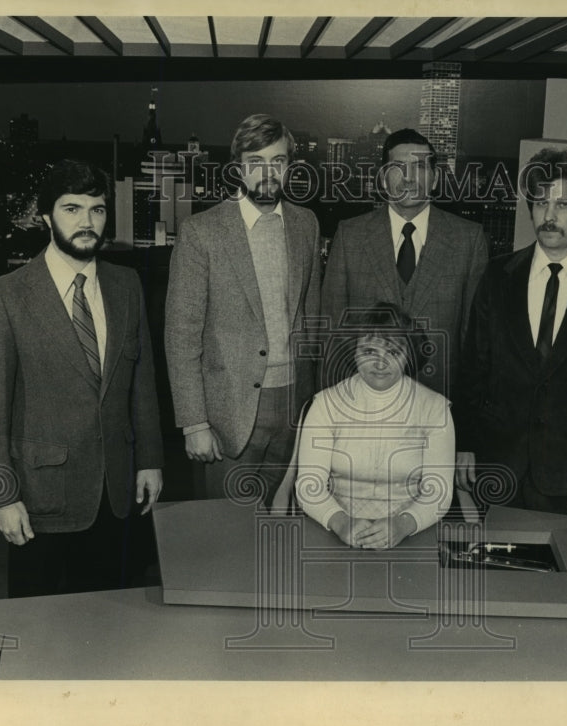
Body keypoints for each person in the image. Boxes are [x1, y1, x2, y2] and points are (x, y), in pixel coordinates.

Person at [0, 159, 164, 597]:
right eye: (71, 209)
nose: (87, 222)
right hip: (41, 497)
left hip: (116, 493)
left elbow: (142, 382)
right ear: (46, 217)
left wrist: (151, 458)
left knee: (111, 619)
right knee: (38, 631)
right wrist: (2, 495)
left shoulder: (126, 284)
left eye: (96, 210)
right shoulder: (5, 296)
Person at [456, 147, 567, 520]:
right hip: (498, 466)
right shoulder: (497, 275)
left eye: (565, 205)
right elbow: (473, 367)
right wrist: (465, 445)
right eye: (540, 203)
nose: (550, 215)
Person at [165, 114, 322, 509]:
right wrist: (194, 423)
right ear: (238, 168)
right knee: (226, 535)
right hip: (229, 414)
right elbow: (181, 334)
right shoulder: (202, 231)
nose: (267, 173)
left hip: (292, 407)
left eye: (278, 161)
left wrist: (312, 404)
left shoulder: (306, 224)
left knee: (276, 525)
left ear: (289, 166)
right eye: (256, 162)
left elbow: (312, 315)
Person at [320, 128, 488, 398]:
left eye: (419, 166)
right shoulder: (350, 235)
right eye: (398, 167)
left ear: (434, 179)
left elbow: (475, 340)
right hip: (362, 401)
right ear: (384, 180)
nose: (409, 177)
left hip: (440, 401)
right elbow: (332, 332)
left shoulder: (468, 239)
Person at [295, 303, 455, 550]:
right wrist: (341, 522)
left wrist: (403, 525)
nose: (380, 364)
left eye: (393, 352)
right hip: (334, 530)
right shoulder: (326, 404)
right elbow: (308, 485)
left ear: (409, 356)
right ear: (354, 352)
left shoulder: (434, 408)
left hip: (412, 533)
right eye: (369, 350)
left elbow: (439, 493)